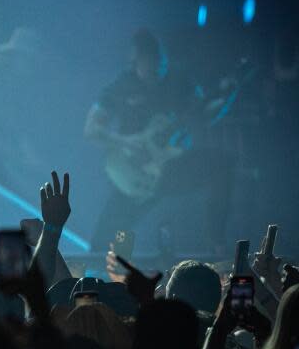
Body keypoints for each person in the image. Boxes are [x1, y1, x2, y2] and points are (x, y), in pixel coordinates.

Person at [84, 28, 235, 255]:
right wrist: (125, 141)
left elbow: (204, 113)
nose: (156, 69)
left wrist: (225, 100)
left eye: (160, 61)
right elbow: (92, 129)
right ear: (136, 62)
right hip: (134, 172)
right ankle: (105, 279)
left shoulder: (179, 79)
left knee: (223, 164)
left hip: (173, 166)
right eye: (150, 64)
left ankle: (217, 242)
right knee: (103, 242)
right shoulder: (121, 86)